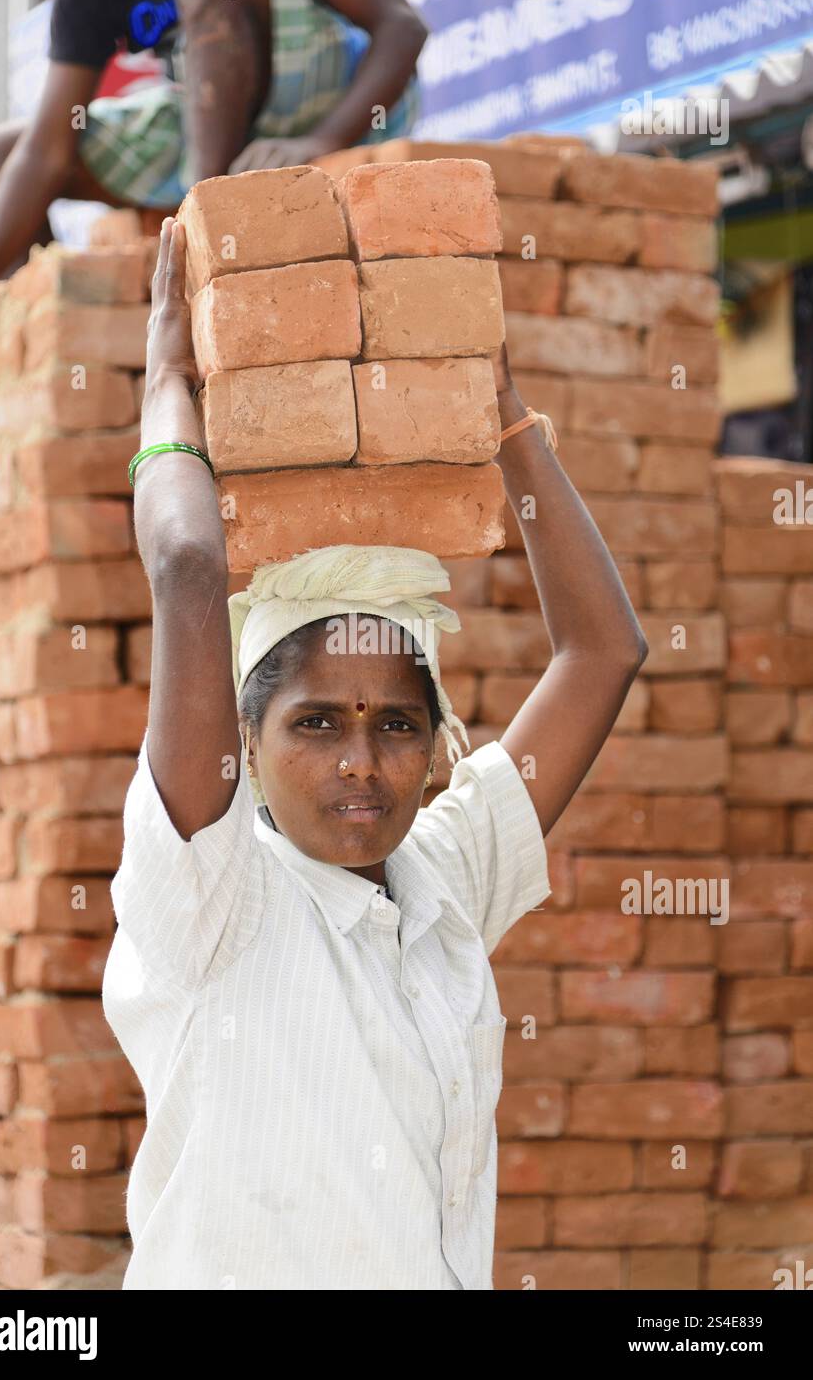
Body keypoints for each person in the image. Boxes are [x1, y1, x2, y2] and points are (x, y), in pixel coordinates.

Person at [101, 217, 649, 1290]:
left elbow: (604, 651)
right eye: (317, 723)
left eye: (395, 723)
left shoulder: (440, 880)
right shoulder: (213, 902)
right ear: (245, 750)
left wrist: (501, 414)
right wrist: (168, 378)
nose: (363, 759)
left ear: (436, 744)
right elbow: (184, 561)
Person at [0, 0, 426, 302]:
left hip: (338, 97)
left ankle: (204, 248)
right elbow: (45, 151)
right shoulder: (83, 0)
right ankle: (70, 341)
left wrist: (324, 138)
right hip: (219, 122)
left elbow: (402, 26)